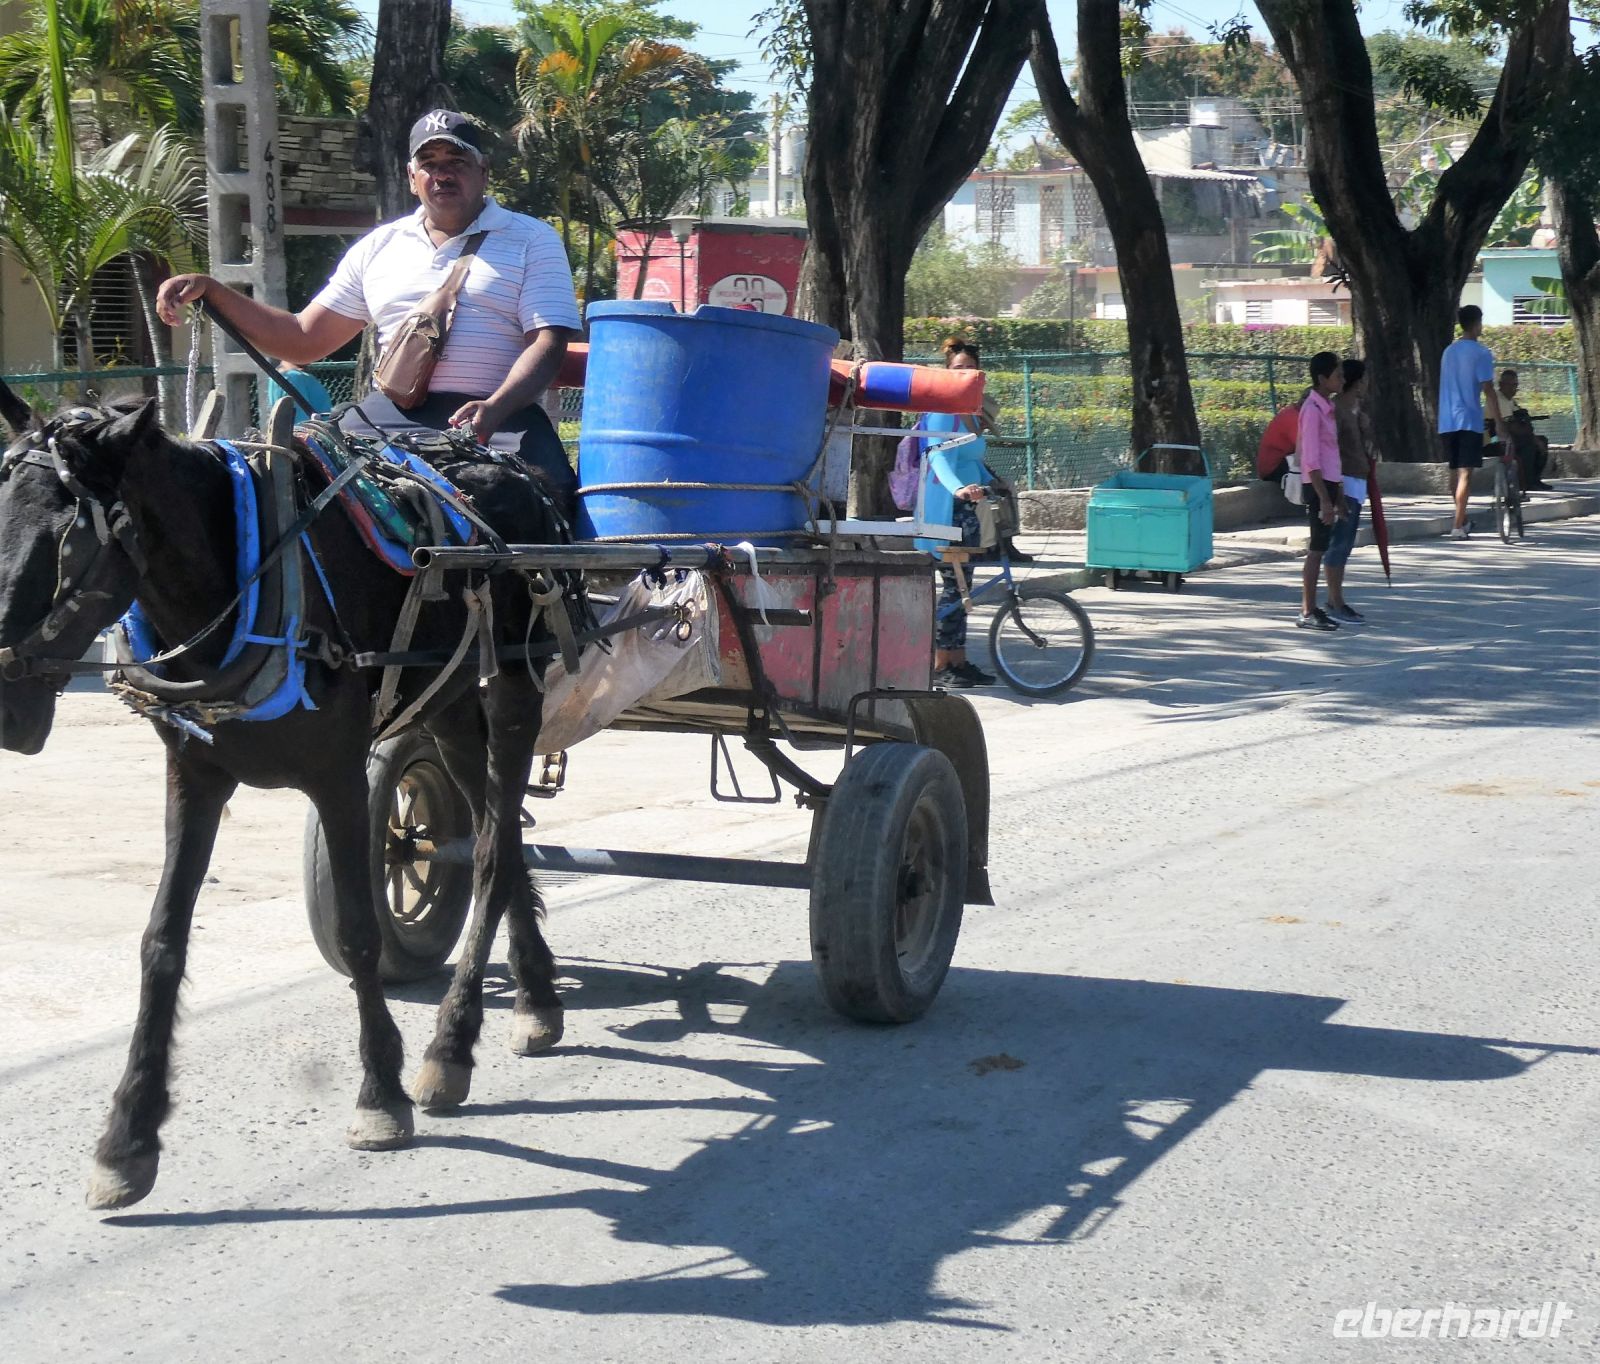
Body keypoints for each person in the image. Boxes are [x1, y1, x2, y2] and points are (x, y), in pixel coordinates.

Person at [156, 110, 582, 511]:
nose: (442, 173)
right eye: (429, 162)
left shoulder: (531, 239)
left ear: (483, 171)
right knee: (289, 472)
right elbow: (303, 340)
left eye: (457, 160)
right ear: (412, 177)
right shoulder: (378, 247)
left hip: (501, 420)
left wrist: (495, 407)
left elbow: (548, 341)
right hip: (390, 416)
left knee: (554, 498)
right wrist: (211, 292)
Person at [916, 338, 998, 687]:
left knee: (964, 588)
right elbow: (938, 457)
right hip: (945, 509)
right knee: (953, 588)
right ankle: (938, 664)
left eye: (969, 368)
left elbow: (972, 462)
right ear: (947, 374)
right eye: (957, 369)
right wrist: (958, 489)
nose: (964, 374)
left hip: (969, 510)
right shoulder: (942, 411)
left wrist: (994, 482)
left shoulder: (974, 415)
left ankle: (959, 660)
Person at [1437, 304, 1505, 540]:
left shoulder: (1449, 351)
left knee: (1454, 472)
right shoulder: (1481, 353)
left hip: (1447, 419)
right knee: (1466, 474)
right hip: (1468, 418)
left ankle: (1462, 519)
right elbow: (1488, 388)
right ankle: (1457, 525)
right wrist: (1499, 422)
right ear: (1476, 323)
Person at [1327, 358, 1379, 623]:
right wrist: (1336, 493)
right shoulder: (1336, 412)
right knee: (1339, 543)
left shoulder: (1356, 412)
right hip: (1344, 483)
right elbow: (1332, 451)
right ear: (1357, 383)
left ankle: (1337, 598)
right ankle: (1335, 601)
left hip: (1357, 482)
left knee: (1345, 545)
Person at [1296, 351, 1344, 631]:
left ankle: (1312, 608)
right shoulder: (1312, 411)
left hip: (1328, 484)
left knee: (1321, 546)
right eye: (1337, 375)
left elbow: (1331, 456)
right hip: (1317, 486)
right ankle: (1307, 610)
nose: (1342, 379)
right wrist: (1325, 500)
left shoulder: (1326, 408)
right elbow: (1311, 460)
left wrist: (1337, 493)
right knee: (1316, 548)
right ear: (1322, 378)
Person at [1487, 369, 1551, 491]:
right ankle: (1527, 482)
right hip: (1494, 441)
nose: (1513, 388)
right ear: (1501, 385)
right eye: (1509, 385)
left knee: (1540, 441)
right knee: (1529, 446)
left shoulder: (1510, 400)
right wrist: (1533, 439)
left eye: (1515, 385)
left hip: (1509, 438)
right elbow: (1510, 426)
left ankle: (1534, 479)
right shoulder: (1498, 399)